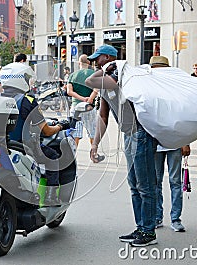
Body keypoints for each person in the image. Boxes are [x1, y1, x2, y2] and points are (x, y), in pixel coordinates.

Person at [86, 45, 158, 246]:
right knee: (134, 186)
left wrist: (108, 67)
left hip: (141, 134)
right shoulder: (105, 83)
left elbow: (88, 80)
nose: (95, 63)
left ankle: (149, 232)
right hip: (129, 136)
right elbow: (103, 116)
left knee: (145, 186)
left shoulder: (120, 77)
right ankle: (141, 227)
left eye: (98, 59)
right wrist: (94, 144)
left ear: (108, 58)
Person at [0, 62, 70, 205]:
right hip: (20, 146)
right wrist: (60, 126)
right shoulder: (27, 100)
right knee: (53, 157)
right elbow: (46, 130)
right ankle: (51, 197)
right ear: (20, 80)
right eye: (27, 79)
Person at [150, 56, 190, 232]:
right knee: (155, 182)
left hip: (174, 142)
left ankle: (176, 219)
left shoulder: (176, 90)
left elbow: (185, 117)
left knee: (175, 182)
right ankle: (158, 217)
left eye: (160, 68)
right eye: (154, 69)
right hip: (155, 143)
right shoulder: (147, 90)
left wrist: (186, 142)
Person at [67, 54, 98, 147]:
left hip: (76, 108)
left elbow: (69, 91)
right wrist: (89, 99)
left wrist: (81, 99)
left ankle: (73, 156)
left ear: (79, 63)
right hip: (89, 107)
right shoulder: (93, 74)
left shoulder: (73, 75)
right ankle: (94, 155)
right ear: (88, 63)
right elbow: (96, 89)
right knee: (92, 132)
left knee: (75, 132)